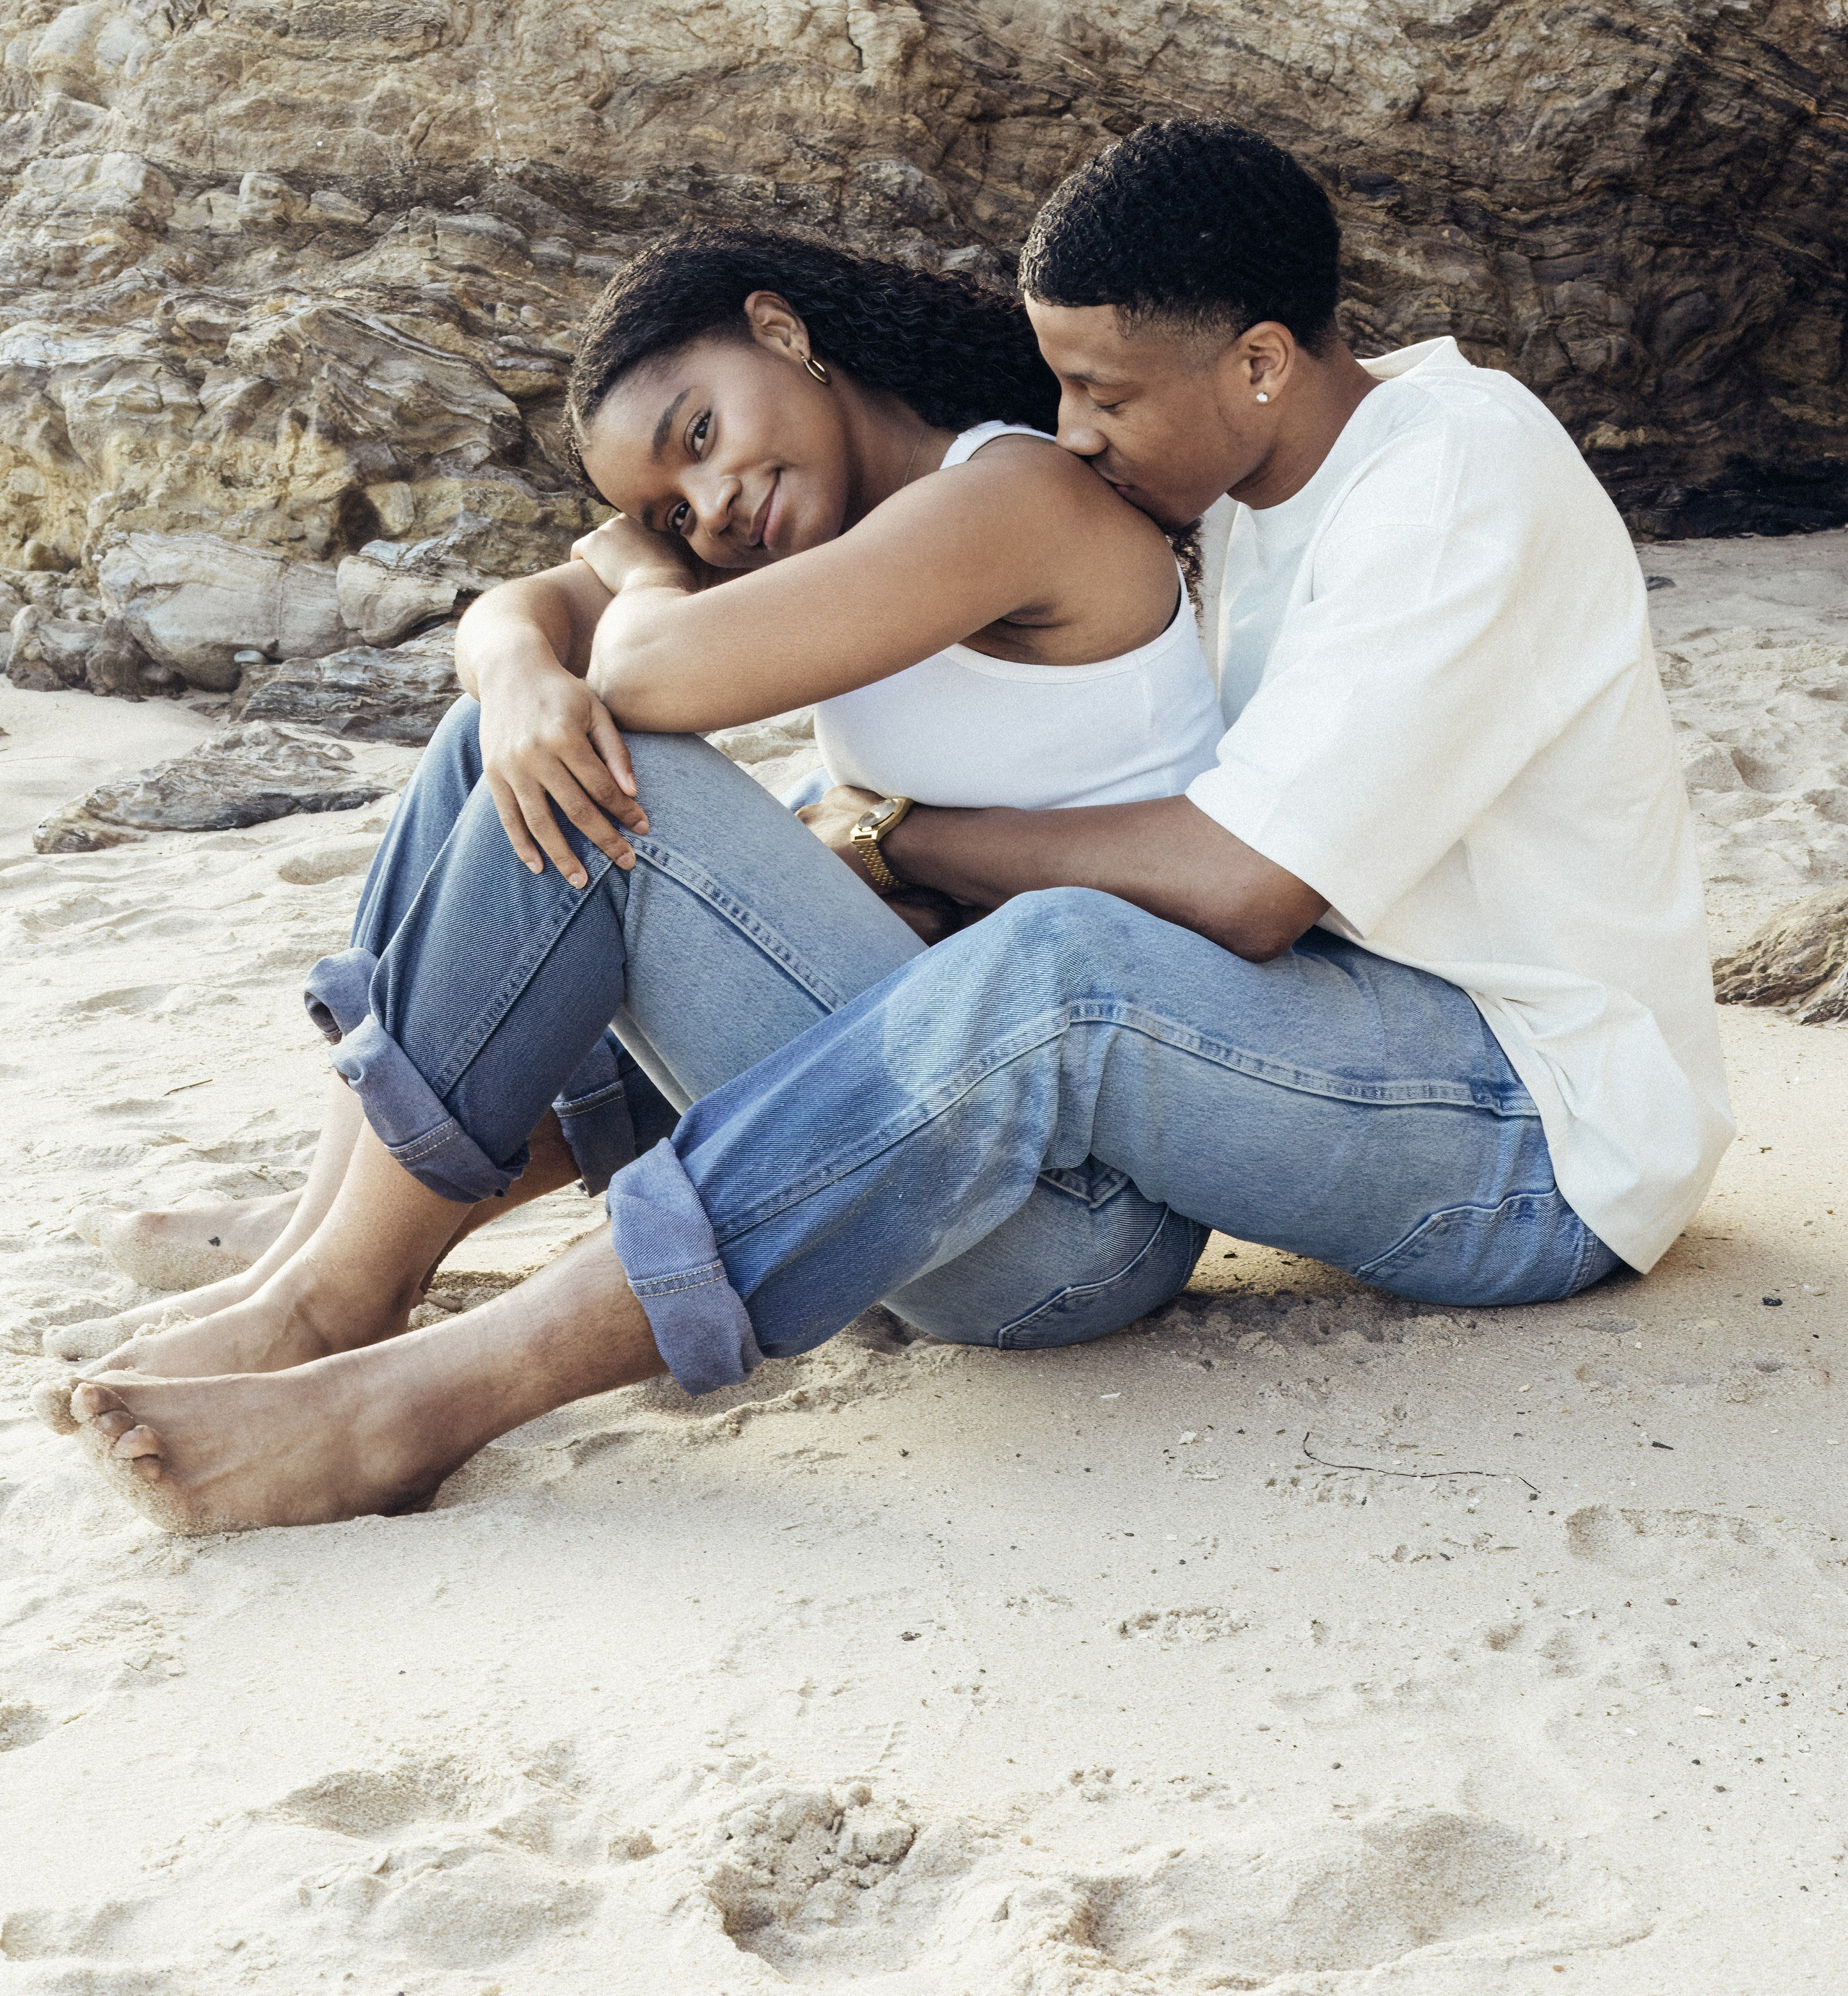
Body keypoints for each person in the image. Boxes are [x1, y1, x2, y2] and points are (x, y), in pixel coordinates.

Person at [55, 121, 1732, 1533]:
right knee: (522, 758)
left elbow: (1238, 886)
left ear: (1258, 361)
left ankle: (415, 1382)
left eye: (1102, 394)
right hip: (1243, 1085)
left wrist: (902, 840)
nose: (1074, 431)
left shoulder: (1451, 482)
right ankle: (331, 1262)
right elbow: (563, 627)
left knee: (1018, 944)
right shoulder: (1236, 484)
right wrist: (530, 653)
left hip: (1536, 1133)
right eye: (1062, 387)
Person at [42, 221, 1223, 1387]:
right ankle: (323, 1235)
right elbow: (513, 617)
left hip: (1065, 1220)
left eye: (700, 431)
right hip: (915, 1142)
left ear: (782, 330)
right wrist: (512, 681)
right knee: (497, 740)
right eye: (668, 510)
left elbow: (641, 672)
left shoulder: (1005, 496)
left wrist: (642, 568)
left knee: (614, 771)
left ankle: (332, 1293)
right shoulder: (812, 519)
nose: (708, 505)